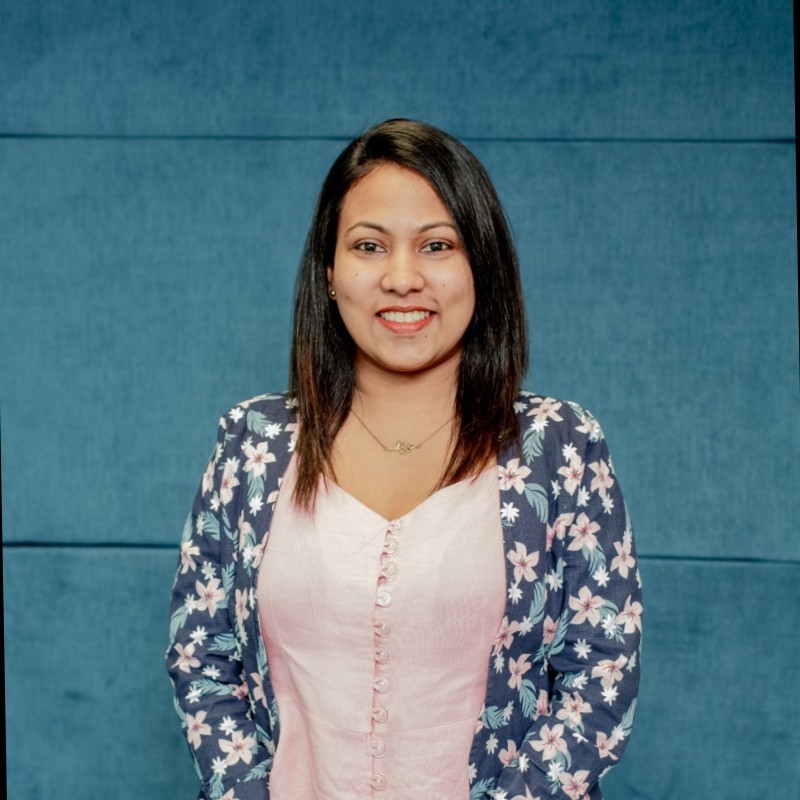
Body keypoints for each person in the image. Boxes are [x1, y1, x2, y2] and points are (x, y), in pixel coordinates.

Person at [166, 118, 642, 800]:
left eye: (437, 245)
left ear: (481, 267)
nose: (401, 278)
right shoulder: (252, 441)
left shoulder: (559, 447)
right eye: (369, 246)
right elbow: (201, 658)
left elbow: (600, 674)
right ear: (330, 273)